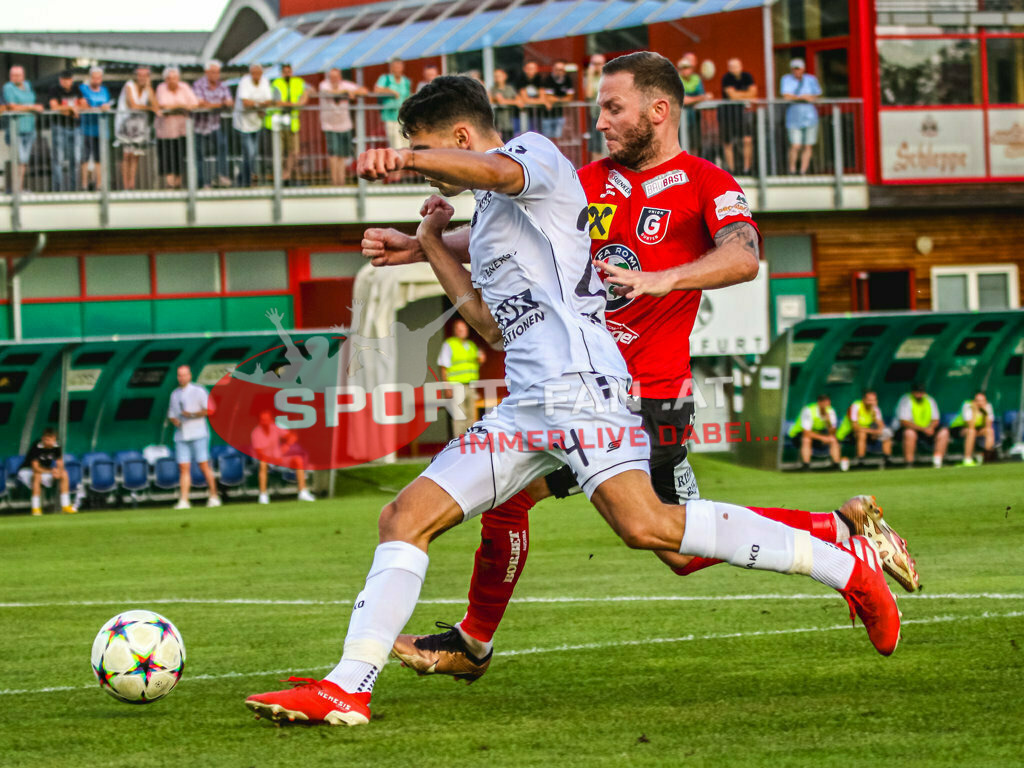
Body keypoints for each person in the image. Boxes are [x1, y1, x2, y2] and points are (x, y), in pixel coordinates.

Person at [244, 72, 901, 727]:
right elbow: (491, 326)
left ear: (462, 138)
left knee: (651, 528)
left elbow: (498, 172)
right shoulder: (499, 218)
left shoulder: (536, 156)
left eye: (426, 149)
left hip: (585, 386)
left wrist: (407, 157)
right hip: (530, 402)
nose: (422, 170)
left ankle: (844, 568)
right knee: (402, 517)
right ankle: (348, 686)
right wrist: (429, 248)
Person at [167, 365, 221, 509]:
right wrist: (176, 421)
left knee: (203, 465)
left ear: (189, 376)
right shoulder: (174, 394)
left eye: (184, 375)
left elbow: (211, 410)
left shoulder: (199, 391)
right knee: (184, 467)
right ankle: (184, 500)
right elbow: (171, 414)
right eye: (179, 375)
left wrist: (192, 414)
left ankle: (214, 496)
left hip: (198, 433)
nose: (181, 378)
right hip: (181, 435)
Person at [250, 410, 316, 504]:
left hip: (280, 459)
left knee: (298, 460)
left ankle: (303, 492)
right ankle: (263, 495)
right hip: (266, 461)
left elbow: (292, 436)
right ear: (260, 421)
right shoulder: (255, 433)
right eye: (263, 420)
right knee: (263, 463)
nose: (266, 422)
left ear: (271, 420)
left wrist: (286, 446)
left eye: (268, 419)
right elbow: (259, 453)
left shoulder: (275, 428)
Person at [437, 317, 485, 438]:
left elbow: (476, 362)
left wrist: (481, 359)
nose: (462, 331)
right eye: (459, 329)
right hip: (456, 385)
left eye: (463, 328)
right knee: (459, 416)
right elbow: (443, 366)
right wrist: (446, 387)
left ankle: (471, 442)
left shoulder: (471, 346)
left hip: (471, 385)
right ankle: (459, 444)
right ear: (455, 331)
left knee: (472, 416)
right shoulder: (449, 345)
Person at [319, 67, 366, 186]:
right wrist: (346, 92)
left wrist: (352, 92)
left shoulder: (345, 85)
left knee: (343, 155)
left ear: (340, 77)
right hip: (330, 125)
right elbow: (328, 93)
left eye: (336, 77)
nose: (334, 79)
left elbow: (364, 91)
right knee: (334, 154)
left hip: (345, 125)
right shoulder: (324, 85)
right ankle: (335, 182)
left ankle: (341, 182)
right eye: (332, 77)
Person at [114, 66, 157, 191]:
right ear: (136, 76)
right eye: (140, 75)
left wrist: (148, 88)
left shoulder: (147, 89)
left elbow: (155, 105)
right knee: (126, 155)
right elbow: (133, 105)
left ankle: (131, 185)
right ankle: (125, 185)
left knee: (135, 155)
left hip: (139, 125)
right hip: (125, 124)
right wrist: (149, 109)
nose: (142, 78)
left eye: (145, 75)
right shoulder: (129, 85)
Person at [192, 60, 234, 189]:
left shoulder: (223, 85)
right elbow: (200, 103)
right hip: (200, 126)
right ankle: (202, 183)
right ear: (207, 72)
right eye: (214, 72)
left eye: (218, 72)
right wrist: (220, 105)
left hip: (215, 125)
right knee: (199, 156)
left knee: (222, 147)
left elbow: (230, 103)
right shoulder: (198, 84)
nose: (217, 75)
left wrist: (214, 105)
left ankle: (222, 177)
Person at [154, 66, 198, 189]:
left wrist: (176, 107)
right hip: (165, 130)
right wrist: (181, 107)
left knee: (180, 155)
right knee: (167, 156)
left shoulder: (184, 87)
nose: (172, 81)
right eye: (169, 78)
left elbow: (194, 103)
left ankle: (178, 183)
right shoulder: (161, 88)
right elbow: (163, 105)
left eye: (174, 78)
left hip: (181, 129)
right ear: (165, 79)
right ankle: (170, 183)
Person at [3, 65, 43, 191]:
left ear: (23, 75)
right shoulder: (8, 87)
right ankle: (14, 188)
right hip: (15, 129)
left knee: (24, 160)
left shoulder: (28, 85)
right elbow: (12, 106)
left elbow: (32, 103)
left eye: (18, 75)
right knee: (18, 158)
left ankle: (19, 187)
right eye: (13, 75)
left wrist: (30, 107)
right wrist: (32, 107)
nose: (16, 78)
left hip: (29, 127)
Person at [267, 64, 308, 185]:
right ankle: (279, 174)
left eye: (289, 71)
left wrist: (298, 103)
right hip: (278, 121)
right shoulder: (276, 83)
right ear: (281, 73)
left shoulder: (298, 82)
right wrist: (291, 104)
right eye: (285, 72)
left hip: (292, 122)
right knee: (279, 150)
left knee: (293, 151)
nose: (287, 74)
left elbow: (305, 95)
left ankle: (287, 173)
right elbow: (276, 101)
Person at [19, 428, 75, 515]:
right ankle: (36, 508)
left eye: (49, 439)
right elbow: (35, 468)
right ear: (42, 438)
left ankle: (66, 505)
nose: (47, 441)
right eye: (45, 439)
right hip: (27, 471)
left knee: (64, 473)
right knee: (37, 476)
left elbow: (59, 462)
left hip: (45, 470)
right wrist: (52, 471)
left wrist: (59, 471)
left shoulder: (57, 446)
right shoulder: (36, 446)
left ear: (54, 439)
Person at [235, 63, 274, 186]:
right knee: (249, 152)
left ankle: (243, 178)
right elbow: (246, 102)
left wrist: (255, 104)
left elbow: (268, 101)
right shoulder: (244, 82)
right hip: (243, 124)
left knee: (253, 154)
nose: (256, 75)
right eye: (254, 73)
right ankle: (246, 180)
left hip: (257, 123)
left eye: (258, 73)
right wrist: (259, 106)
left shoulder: (265, 82)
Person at [780, 58, 822, 175]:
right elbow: (786, 96)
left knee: (808, 145)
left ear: (803, 69)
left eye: (798, 69)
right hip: (794, 117)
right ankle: (792, 170)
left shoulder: (811, 80)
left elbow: (816, 96)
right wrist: (803, 97)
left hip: (810, 117)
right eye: (794, 69)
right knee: (795, 145)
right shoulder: (786, 79)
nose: (796, 71)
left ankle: (803, 170)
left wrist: (803, 97)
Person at [896, 382, 949, 468]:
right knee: (909, 433)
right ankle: (909, 463)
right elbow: (904, 422)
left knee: (944, 432)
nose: (920, 394)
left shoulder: (930, 400)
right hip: (913, 429)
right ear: (913, 392)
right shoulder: (906, 400)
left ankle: (937, 461)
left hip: (927, 430)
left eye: (921, 392)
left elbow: (935, 419)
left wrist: (931, 428)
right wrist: (923, 429)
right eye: (917, 392)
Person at [719, 58, 756, 175]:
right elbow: (732, 96)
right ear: (728, 68)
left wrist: (738, 94)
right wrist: (746, 95)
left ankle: (747, 169)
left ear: (741, 66)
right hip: (728, 114)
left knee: (747, 140)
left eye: (736, 66)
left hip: (743, 114)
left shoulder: (747, 76)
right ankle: (731, 169)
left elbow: (754, 93)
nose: (734, 69)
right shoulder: (726, 78)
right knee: (728, 142)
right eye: (732, 67)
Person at [78, 66, 113, 191]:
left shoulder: (104, 90)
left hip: (101, 129)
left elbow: (107, 105)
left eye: (99, 77)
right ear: (90, 77)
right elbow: (85, 105)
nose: (96, 80)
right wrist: (98, 107)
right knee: (85, 157)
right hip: (87, 128)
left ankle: (99, 184)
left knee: (99, 158)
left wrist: (101, 107)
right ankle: (84, 185)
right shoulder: (83, 88)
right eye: (94, 77)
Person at [837, 390, 893, 466]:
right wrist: (873, 432)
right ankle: (860, 461)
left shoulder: (875, 409)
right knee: (862, 434)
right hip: (848, 434)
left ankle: (887, 459)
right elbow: (855, 427)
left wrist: (879, 431)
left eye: (874, 400)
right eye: (869, 400)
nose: (872, 402)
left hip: (868, 432)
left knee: (886, 433)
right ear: (864, 400)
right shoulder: (855, 406)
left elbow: (881, 424)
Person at [47, 69, 81, 192]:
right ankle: (58, 190)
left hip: (75, 128)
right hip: (59, 127)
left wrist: (68, 109)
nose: (67, 82)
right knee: (59, 160)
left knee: (75, 160)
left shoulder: (76, 89)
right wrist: (71, 109)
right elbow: (54, 106)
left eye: (69, 79)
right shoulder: (55, 89)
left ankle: (74, 189)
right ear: (60, 80)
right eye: (64, 79)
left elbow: (84, 105)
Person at [789, 394, 843, 470]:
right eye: (824, 404)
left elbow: (832, 432)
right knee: (806, 439)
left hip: (817, 435)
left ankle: (836, 465)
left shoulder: (830, 411)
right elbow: (806, 433)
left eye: (828, 404)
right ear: (819, 403)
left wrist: (828, 422)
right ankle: (806, 465)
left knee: (833, 439)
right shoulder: (809, 410)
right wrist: (823, 438)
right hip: (798, 435)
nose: (826, 407)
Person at [950, 390, 995, 466]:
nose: (980, 403)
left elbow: (988, 425)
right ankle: (967, 459)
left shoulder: (988, 406)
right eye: (978, 400)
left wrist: (986, 413)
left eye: (982, 400)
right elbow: (971, 425)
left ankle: (987, 459)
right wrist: (974, 411)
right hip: (959, 429)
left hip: (976, 429)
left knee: (989, 431)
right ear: (973, 401)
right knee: (971, 431)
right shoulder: (967, 405)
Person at [374, 58, 411, 150]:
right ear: (391, 68)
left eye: (400, 67)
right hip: (391, 117)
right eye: (396, 67)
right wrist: (391, 91)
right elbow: (377, 90)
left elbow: (408, 96)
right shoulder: (385, 79)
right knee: (396, 144)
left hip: (404, 117)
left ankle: (406, 164)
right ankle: (398, 163)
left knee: (406, 143)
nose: (398, 69)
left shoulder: (406, 81)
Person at [677, 53, 711, 154]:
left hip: (694, 119)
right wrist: (699, 98)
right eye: (682, 68)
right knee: (681, 146)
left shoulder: (696, 79)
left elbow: (704, 96)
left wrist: (695, 99)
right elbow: (683, 100)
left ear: (691, 68)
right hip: (679, 121)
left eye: (687, 67)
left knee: (695, 146)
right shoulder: (676, 79)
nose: (684, 70)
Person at [541, 60, 574, 140]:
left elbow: (570, 97)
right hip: (547, 115)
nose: (559, 72)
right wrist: (562, 99)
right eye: (557, 69)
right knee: (547, 140)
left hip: (560, 115)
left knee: (558, 141)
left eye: (561, 70)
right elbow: (549, 97)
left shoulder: (568, 80)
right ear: (553, 70)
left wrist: (556, 99)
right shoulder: (548, 79)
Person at [582, 54, 605, 161]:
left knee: (604, 143)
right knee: (595, 143)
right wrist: (590, 76)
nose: (596, 66)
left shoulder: (607, 77)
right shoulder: (589, 78)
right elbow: (589, 94)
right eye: (594, 64)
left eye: (599, 64)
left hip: (605, 114)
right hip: (594, 114)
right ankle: (596, 164)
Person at [489, 68, 520, 143]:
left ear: (505, 76)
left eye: (499, 76)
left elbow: (520, 102)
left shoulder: (510, 89)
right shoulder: (492, 89)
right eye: (495, 76)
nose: (497, 78)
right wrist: (496, 99)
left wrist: (504, 101)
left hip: (510, 123)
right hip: (497, 124)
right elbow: (489, 100)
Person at [516, 60, 546, 134]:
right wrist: (538, 101)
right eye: (529, 68)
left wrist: (530, 101)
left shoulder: (540, 79)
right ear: (525, 69)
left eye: (533, 68)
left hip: (538, 114)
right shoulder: (520, 80)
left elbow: (543, 98)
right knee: (524, 134)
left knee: (539, 134)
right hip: (523, 113)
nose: (531, 70)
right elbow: (524, 99)